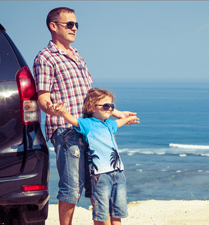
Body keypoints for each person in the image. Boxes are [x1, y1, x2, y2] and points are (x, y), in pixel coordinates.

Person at [33, 7, 136, 225]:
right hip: (67, 130)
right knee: (71, 188)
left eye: (76, 24)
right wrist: (52, 109)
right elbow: (42, 98)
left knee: (97, 185)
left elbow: (91, 97)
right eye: (69, 24)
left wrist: (115, 112)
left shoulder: (77, 55)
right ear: (53, 26)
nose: (74, 28)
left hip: (91, 129)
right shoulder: (45, 57)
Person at [49, 88, 139, 225]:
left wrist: (127, 118)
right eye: (106, 106)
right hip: (101, 175)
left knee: (117, 212)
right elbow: (73, 121)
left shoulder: (109, 124)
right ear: (92, 107)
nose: (110, 109)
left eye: (112, 106)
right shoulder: (88, 124)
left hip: (118, 173)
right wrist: (63, 112)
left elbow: (118, 123)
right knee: (101, 213)